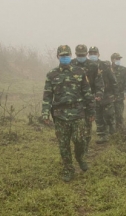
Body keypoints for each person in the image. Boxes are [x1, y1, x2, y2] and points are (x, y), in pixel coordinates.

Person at [42, 45, 96, 182]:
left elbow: (87, 93)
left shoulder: (80, 72)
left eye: (67, 55)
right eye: (62, 55)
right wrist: (45, 113)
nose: (65, 57)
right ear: (58, 57)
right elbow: (47, 96)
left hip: (77, 112)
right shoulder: (51, 74)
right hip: (60, 115)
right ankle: (68, 169)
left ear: (71, 56)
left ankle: (80, 157)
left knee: (80, 140)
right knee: (63, 145)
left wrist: (91, 111)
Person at [71, 44, 104, 154]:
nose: (81, 56)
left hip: (88, 100)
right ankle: (78, 147)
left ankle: (85, 149)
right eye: (79, 55)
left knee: (87, 125)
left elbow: (99, 82)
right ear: (75, 54)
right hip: (73, 101)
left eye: (83, 55)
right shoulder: (70, 64)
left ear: (86, 54)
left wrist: (98, 94)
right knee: (74, 126)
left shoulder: (93, 66)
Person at [88, 46, 118, 143]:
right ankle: (102, 136)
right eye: (91, 53)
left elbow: (114, 81)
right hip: (94, 96)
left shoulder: (104, 65)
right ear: (88, 55)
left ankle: (113, 133)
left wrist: (115, 95)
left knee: (109, 115)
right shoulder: (87, 66)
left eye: (95, 53)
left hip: (107, 96)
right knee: (99, 117)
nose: (93, 55)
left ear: (98, 54)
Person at [111, 53, 126, 127]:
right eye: (117, 59)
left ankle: (119, 132)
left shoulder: (123, 70)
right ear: (112, 60)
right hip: (109, 97)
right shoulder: (108, 69)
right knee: (109, 115)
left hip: (119, 97)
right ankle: (110, 132)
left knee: (119, 115)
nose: (118, 60)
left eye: (119, 59)